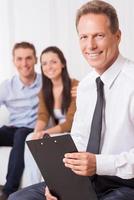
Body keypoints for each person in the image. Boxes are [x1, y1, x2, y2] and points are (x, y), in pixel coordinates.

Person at [8, 0, 134, 200]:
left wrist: (99, 164)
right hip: (83, 180)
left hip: (125, 183)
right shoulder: (85, 86)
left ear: (117, 36)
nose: (90, 45)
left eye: (99, 36)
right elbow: (79, 140)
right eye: (84, 37)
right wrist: (58, 183)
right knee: (18, 198)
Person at [24, 46, 79, 185]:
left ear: (63, 63)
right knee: (30, 138)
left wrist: (45, 132)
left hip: (73, 133)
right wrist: (37, 133)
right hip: (55, 135)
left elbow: (70, 123)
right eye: (44, 63)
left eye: (53, 62)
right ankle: (33, 187)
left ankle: (48, 187)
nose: (49, 67)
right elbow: (42, 116)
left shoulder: (75, 86)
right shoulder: (44, 90)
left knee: (47, 139)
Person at [0, 42, 42, 200]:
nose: (24, 63)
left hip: (31, 130)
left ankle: (8, 191)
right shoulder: (7, 86)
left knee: (21, 135)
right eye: (19, 59)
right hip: (12, 128)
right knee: (16, 133)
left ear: (36, 60)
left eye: (28, 58)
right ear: (14, 61)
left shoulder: (46, 82)